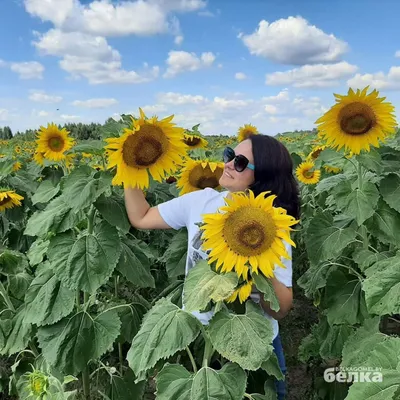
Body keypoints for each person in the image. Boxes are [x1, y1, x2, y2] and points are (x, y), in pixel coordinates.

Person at [124, 134, 301, 399]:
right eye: (230, 155)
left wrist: (255, 259)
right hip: (197, 335)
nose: (228, 163)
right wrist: (129, 169)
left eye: (240, 162)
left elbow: (281, 308)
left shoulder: (273, 227)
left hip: (251, 341)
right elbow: (142, 217)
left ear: (263, 175)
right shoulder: (201, 202)